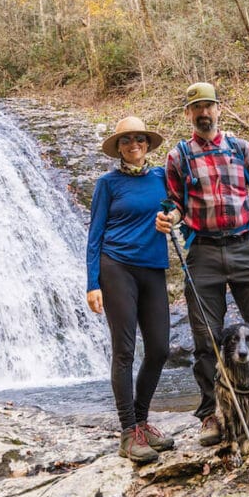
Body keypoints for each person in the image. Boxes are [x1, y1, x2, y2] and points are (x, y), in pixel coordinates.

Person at [155, 82, 249, 446]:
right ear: (188, 114)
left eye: (208, 106)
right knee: (207, 340)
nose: (203, 113)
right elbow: (175, 203)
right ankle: (212, 414)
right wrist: (169, 218)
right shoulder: (178, 157)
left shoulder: (240, 148)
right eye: (196, 108)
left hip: (245, 248)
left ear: (218, 109)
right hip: (202, 252)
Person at [86, 116, 175, 463]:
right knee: (124, 350)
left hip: (153, 267)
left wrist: (175, 217)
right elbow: (94, 236)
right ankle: (128, 432)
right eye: (125, 141)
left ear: (147, 144)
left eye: (139, 138)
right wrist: (92, 283)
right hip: (116, 267)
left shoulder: (162, 178)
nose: (133, 144)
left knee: (160, 348)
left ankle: (142, 420)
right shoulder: (107, 184)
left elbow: (180, 208)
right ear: (118, 148)